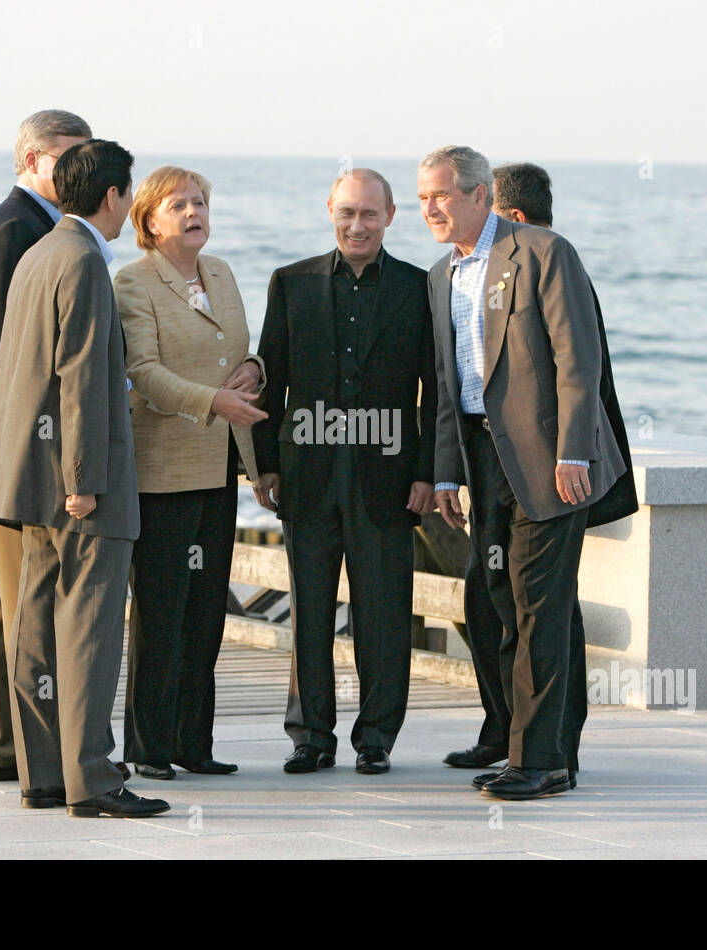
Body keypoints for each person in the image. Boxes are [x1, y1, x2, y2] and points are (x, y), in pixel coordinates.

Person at [419, 145, 632, 800]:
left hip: (547, 459)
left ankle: (540, 761)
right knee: (503, 600)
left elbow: (578, 360)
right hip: (483, 460)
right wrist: (448, 474)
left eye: (443, 195)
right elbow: (450, 386)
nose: (430, 208)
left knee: (538, 604)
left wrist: (575, 454)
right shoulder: (440, 275)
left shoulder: (542, 252)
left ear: (481, 196)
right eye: (423, 196)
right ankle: (532, 746)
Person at [0, 139, 167, 819]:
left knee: (36, 625)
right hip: (77, 482)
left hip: (25, 476)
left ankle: (45, 776)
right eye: (127, 195)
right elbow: (80, 376)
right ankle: (94, 782)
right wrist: (85, 480)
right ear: (113, 197)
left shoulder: (39, 253)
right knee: (86, 628)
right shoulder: (85, 260)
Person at [253, 168, 436, 775]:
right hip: (306, 473)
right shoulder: (291, 283)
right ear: (330, 209)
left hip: (389, 476)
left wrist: (429, 471)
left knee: (384, 611)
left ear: (390, 216)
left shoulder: (419, 288)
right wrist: (266, 462)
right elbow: (269, 381)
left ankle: (377, 736)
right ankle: (311, 735)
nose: (357, 225)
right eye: (347, 213)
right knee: (309, 609)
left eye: (370, 214)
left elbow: (434, 390)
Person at [114, 166, 267, 780]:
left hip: (222, 464)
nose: (193, 212)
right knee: (160, 612)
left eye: (199, 202)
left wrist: (254, 370)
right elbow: (143, 372)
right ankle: (149, 749)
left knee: (206, 609)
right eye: (178, 205)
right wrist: (212, 401)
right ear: (150, 220)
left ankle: (193, 743)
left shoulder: (222, 273)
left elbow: (242, 349)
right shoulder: (133, 283)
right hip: (163, 470)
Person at [0, 109, 90, 783]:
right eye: (69, 158)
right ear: (35, 160)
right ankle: (39, 758)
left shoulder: (30, 226)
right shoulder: (16, 232)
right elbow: (10, 358)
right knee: (27, 611)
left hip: (0, 452)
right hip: (19, 454)